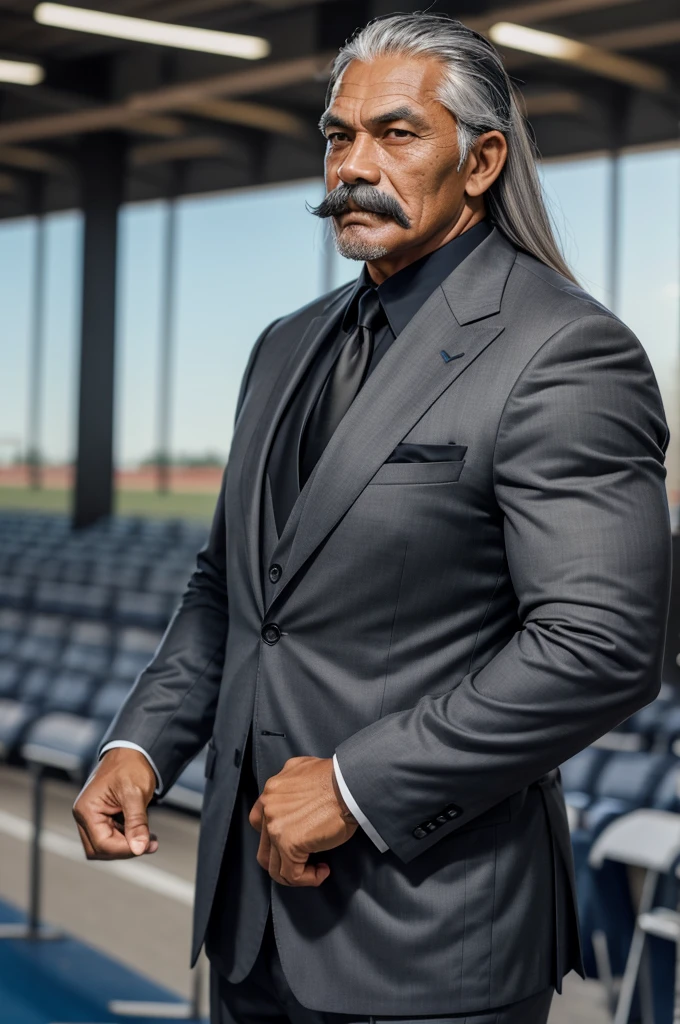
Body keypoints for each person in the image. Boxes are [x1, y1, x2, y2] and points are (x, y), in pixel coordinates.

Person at [73, 12, 672, 1024]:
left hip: (426, 934)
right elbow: (233, 592)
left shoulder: (561, 351)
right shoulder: (284, 345)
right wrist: (137, 746)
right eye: (338, 136)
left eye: (396, 135)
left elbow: (600, 645)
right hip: (250, 916)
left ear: (480, 161)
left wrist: (352, 785)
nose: (354, 165)